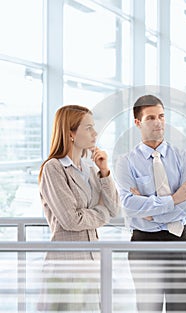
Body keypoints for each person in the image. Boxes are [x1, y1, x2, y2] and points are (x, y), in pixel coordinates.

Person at [115, 95, 186, 313]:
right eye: (151, 118)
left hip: (179, 240)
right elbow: (128, 205)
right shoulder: (126, 162)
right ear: (137, 123)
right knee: (148, 308)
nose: (158, 122)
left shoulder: (185, 158)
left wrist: (149, 211)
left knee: (181, 309)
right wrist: (173, 199)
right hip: (144, 244)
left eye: (161, 116)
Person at [38, 105, 120, 312]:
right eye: (89, 128)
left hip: (93, 262)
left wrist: (104, 171)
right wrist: (101, 214)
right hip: (67, 264)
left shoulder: (91, 169)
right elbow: (71, 220)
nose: (95, 133)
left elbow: (114, 208)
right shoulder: (54, 168)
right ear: (71, 133)